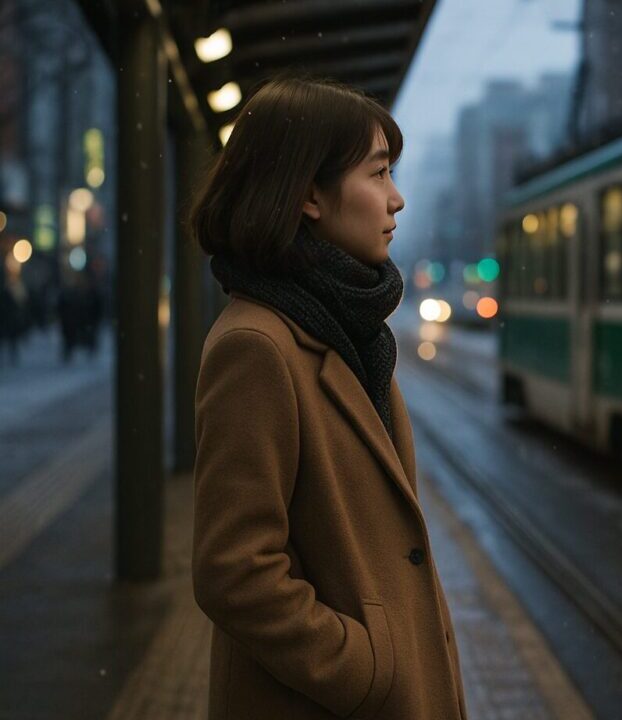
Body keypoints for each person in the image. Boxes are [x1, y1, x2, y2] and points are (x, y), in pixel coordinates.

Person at [188, 77, 466, 720]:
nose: (397, 200)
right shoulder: (258, 346)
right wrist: (369, 667)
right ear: (311, 193)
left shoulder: (344, 329)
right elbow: (235, 571)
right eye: (378, 174)